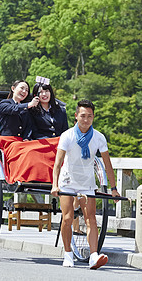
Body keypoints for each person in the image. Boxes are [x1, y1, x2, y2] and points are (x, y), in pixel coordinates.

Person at [51, 99, 120, 269]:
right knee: (67, 218)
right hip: (67, 181)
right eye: (83, 116)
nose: (86, 119)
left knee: (91, 219)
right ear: (76, 116)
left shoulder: (98, 137)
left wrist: (113, 188)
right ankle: (67, 254)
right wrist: (55, 185)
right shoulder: (68, 135)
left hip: (87, 182)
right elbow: (58, 162)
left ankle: (94, 256)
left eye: (89, 116)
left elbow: (107, 165)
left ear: (93, 117)